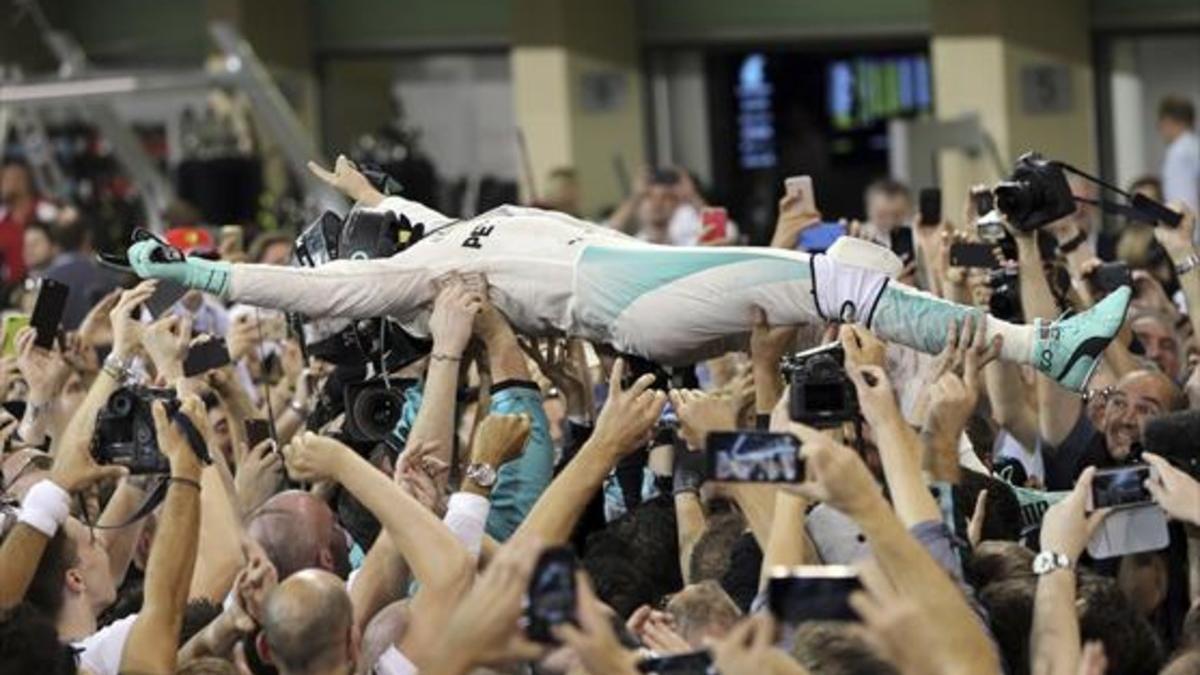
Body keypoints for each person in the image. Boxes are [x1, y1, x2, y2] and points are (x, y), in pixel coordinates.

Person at [124, 155, 1131, 394]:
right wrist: (204, 277)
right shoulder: (419, 280)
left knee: (836, 276)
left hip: (643, 283)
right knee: (825, 276)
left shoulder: (445, 231)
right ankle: (1045, 349)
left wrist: (359, 186)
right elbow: (314, 291)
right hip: (627, 300)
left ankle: (1048, 353)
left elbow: (408, 212)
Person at [1157, 96, 1199, 219]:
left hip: (1190, 230)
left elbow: (1180, 204)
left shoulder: (1178, 153)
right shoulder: (1195, 146)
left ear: (1167, 121)